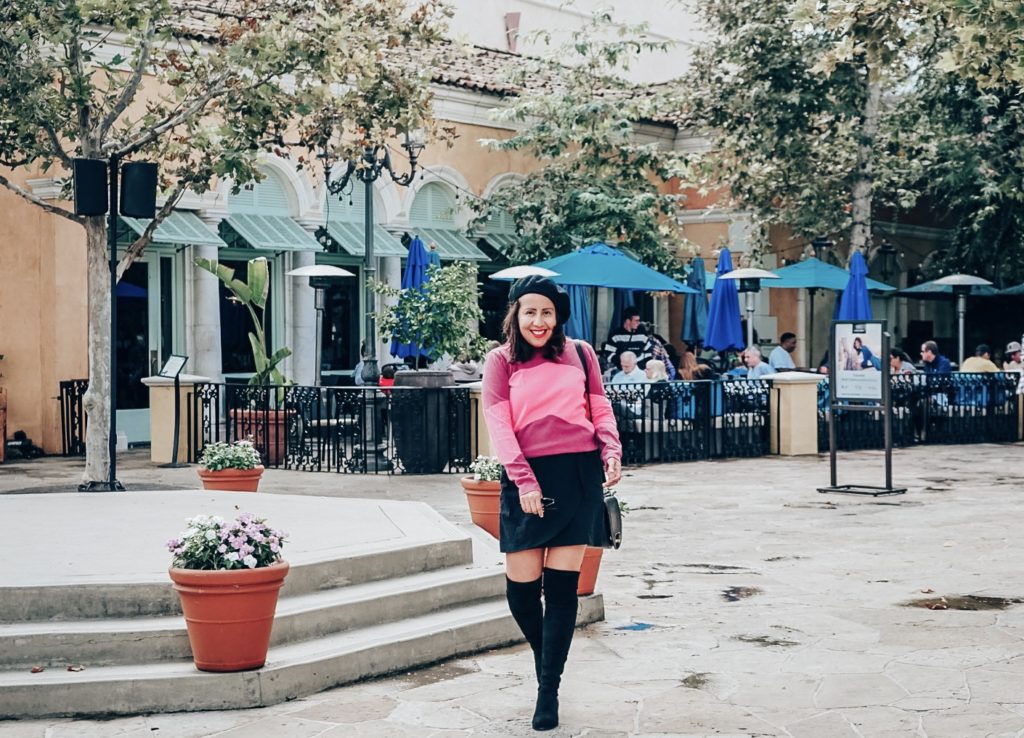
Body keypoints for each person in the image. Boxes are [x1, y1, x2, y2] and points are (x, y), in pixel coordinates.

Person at [481, 275, 622, 731]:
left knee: (562, 594)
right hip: (527, 478)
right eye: (529, 312)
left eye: (546, 312)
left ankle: (548, 691)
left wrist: (611, 449)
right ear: (515, 316)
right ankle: (549, 660)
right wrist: (523, 480)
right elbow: (500, 426)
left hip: (578, 474)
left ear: (558, 314)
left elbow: (598, 404)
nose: (538, 321)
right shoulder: (500, 362)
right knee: (521, 592)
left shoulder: (581, 353)